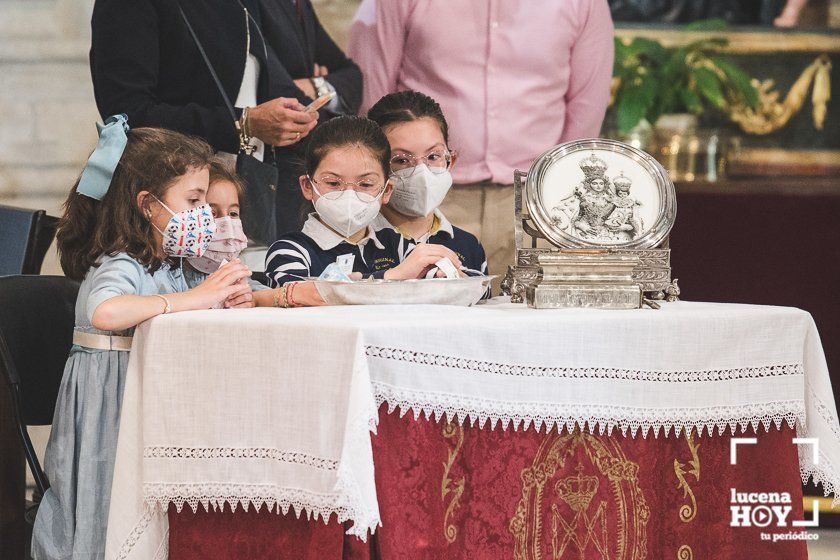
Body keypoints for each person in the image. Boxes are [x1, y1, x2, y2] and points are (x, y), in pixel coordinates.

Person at [31, 120, 253, 560]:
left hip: (144, 393)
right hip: (110, 400)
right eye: (194, 201)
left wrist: (226, 297)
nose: (203, 216)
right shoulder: (122, 260)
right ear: (149, 205)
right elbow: (105, 310)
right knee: (107, 497)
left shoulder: (173, 263)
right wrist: (190, 300)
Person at [349, 0, 614, 284]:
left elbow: (587, 106)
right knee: (420, 320)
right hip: (424, 195)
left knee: (529, 321)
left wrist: (555, 194)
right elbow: (371, 96)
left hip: (534, 201)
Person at [90, 0, 362, 237]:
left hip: (249, 199)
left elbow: (265, 82)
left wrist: (297, 118)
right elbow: (128, 114)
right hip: (168, 201)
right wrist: (242, 123)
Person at [264, 116, 464, 306]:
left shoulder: (395, 244)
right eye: (333, 183)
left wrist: (447, 275)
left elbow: (438, 289)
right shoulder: (289, 251)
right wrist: (390, 278)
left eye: (366, 184)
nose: (349, 194)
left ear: (386, 191)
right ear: (308, 186)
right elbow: (301, 297)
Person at [367, 91, 488, 276]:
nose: (422, 173)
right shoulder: (355, 241)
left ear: (450, 161)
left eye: (433, 156)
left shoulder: (468, 246)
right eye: (401, 160)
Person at [183, 159, 281, 308]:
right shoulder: (168, 277)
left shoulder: (233, 274)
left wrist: (251, 298)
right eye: (212, 213)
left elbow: (259, 292)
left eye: (233, 213)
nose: (226, 225)